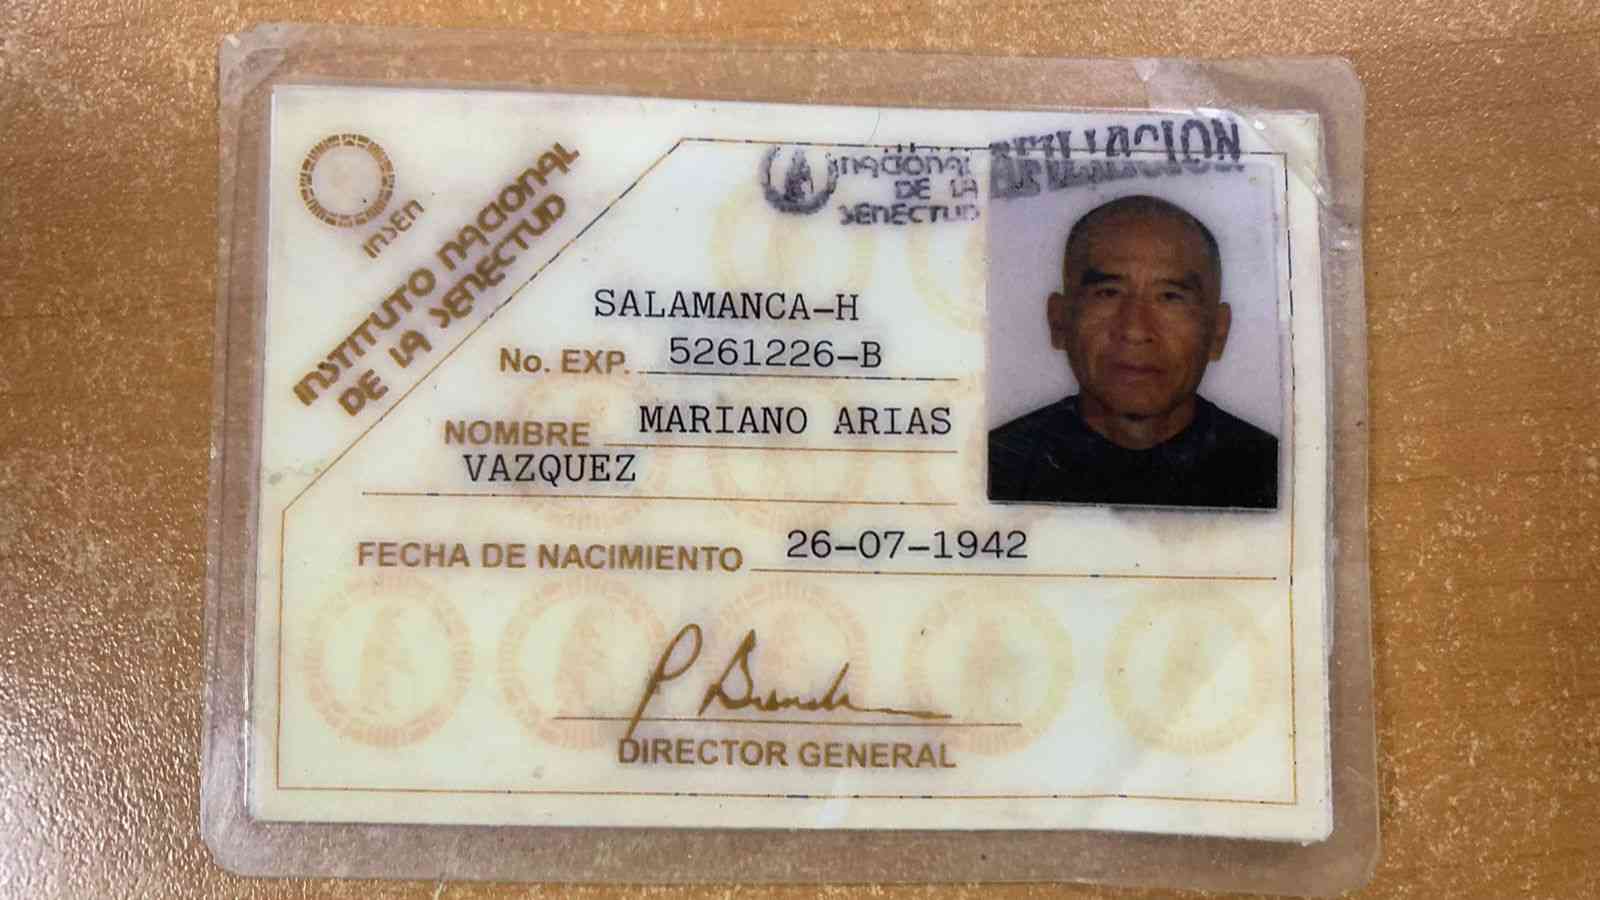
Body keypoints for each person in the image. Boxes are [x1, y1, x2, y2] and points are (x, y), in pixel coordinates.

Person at [987, 194, 1278, 509]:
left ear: (1218, 332)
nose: (1135, 330)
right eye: (1108, 293)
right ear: (1059, 321)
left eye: (1170, 297)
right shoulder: (994, 467)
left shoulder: (1278, 476)